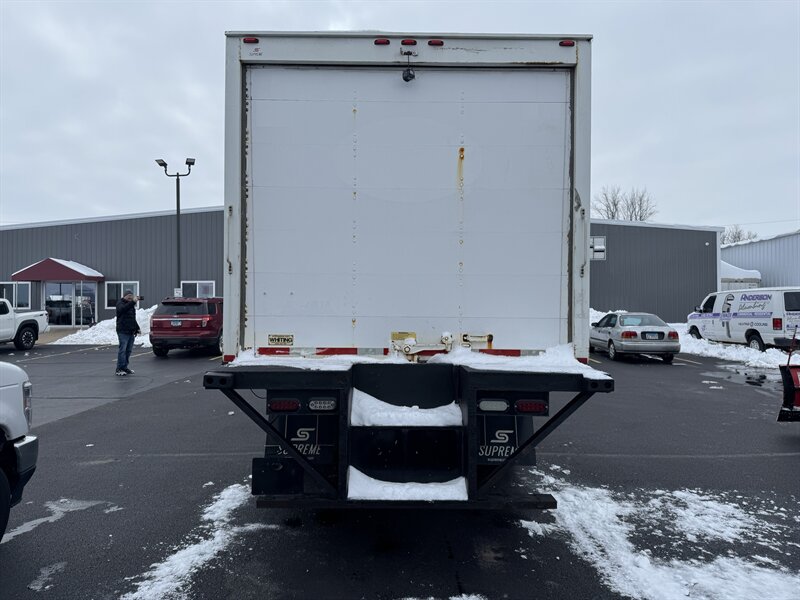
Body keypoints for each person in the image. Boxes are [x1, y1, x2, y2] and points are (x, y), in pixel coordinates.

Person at [115, 290, 141, 376]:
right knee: (122, 350)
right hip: (122, 331)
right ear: (124, 296)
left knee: (128, 351)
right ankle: (119, 368)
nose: (130, 297)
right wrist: (133, 302)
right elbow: (122, 309)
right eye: (128, 295)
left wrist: (137, 328)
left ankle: (124, 367)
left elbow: (132, 318)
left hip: (130, 331)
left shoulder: (130, 305)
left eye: (131, 295)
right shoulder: (120, 303)